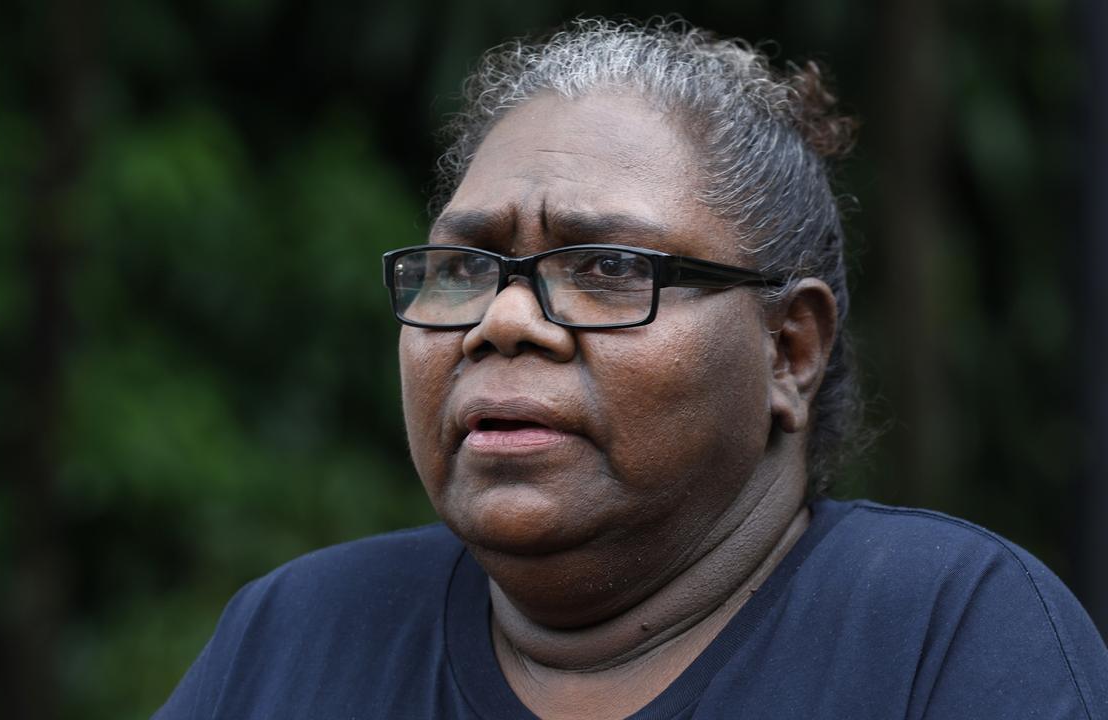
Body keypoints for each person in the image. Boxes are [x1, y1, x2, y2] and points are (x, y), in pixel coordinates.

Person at [154, 18, 1108, 719]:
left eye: (608, 268)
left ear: (790, 350)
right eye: (464, 267)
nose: (504, 319)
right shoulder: (294, 637)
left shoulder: (948, 638)